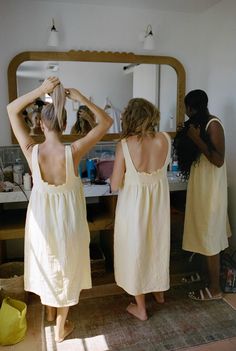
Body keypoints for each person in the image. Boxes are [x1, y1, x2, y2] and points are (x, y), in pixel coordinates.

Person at [7, 77, 113, 342]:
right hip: (69, 222)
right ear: (65, 124)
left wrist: (40, 91)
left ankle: (53, 315)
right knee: (67, 268)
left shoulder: (31, 150)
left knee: (48, 264)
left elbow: (11, 109)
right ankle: (60, 326)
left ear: (40, 124)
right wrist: (82, 99)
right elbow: (106, 123)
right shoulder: (74, 151)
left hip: (41, 223)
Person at [110, 98, 171, 321]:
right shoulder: (166, 139)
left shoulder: (125, 144)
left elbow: (115, 184)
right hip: (158, 206)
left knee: (134, 251)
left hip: (134, 208)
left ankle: (141, 308)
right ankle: (159, 293)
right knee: (156, 245)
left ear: (130, 117)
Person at [173, 89, 231, 301]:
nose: (186, 112)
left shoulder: (213, 124)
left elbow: (218, 160)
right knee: (201, 231)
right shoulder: (198, 124)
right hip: (201, 187)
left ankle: (215, 289)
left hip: (212, 190)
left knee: (210, 236)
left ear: (192, 107)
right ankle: (205, 276)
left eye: (187, 108)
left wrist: (197, 140)